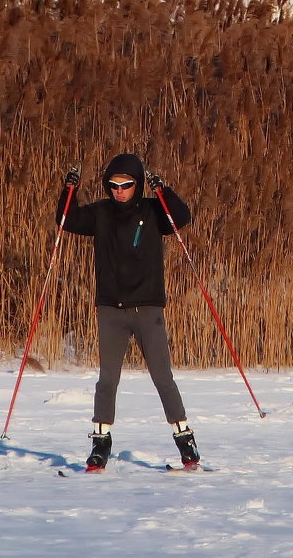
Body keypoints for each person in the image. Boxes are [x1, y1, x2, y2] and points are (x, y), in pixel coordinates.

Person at [57, 152, 199, 471]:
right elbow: (67, 220)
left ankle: (186, 442)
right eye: (114, 185)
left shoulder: (151, 211)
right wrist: (69, 190)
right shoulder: (101, 213)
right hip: (111, 310)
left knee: (163, 377)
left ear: (138, 185)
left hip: (148, 308)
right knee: (107, 379)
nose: (120, 191)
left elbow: (180, 217)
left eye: (127, 184)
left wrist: (162, 190)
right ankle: (100, 445)